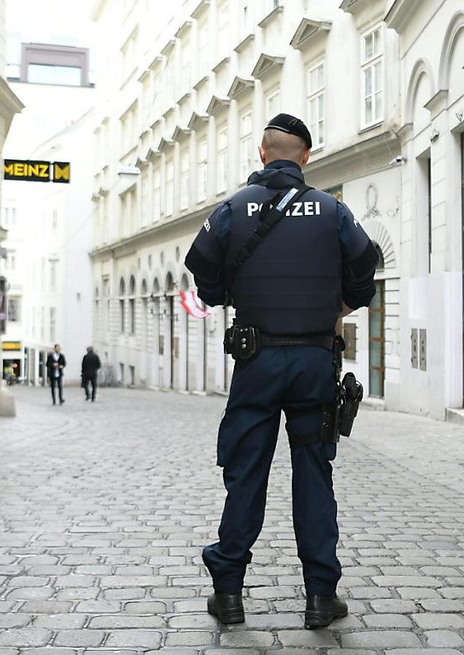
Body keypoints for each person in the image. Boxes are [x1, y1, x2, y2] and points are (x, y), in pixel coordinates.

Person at [184, 113, 378, 629]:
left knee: (246, 472)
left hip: (256, 361)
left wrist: (223, 295)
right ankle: (319, 596)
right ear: (306, 157)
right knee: (314, 475)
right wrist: (343, 303)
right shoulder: (332, 209)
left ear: (263, 154)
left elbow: (200, 263)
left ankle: (228, 593)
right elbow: (366, 264)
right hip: (316, 360)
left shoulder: (233, 208)